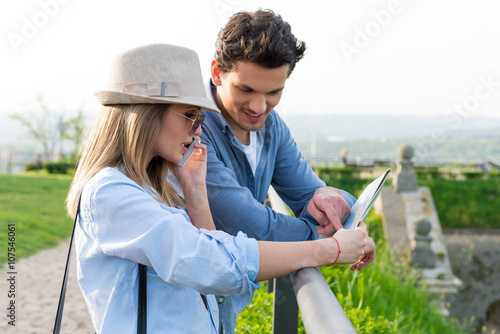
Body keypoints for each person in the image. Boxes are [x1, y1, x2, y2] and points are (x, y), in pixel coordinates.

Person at [66, 43, 374, 333]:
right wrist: (330, 249)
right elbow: (211, 263)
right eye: (189, 114)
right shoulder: (109, 192)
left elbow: (216, 287)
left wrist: (196, 191)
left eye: (199, 116)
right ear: (145, 114)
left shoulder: (160, 187)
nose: (198, 128)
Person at [202, 9, 373, 242]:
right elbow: (252, 228)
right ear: (216, 73)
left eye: (274, 92)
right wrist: (334, 240)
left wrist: (330, 197)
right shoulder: (192, 127)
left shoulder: (272, 127)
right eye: (245, 89)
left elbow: (327, 203)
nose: (259, 107)